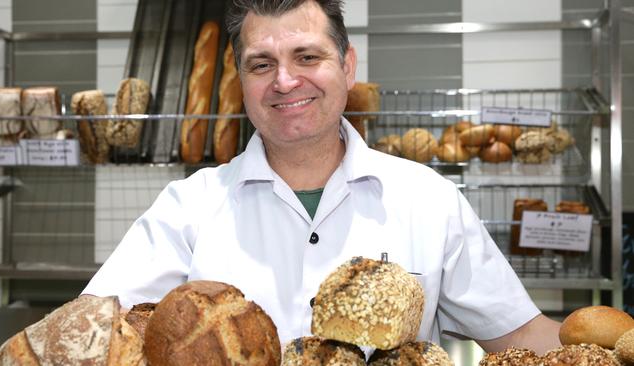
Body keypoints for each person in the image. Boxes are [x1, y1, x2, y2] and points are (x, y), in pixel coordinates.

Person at [82, 0, 562, 355]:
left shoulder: (428, 199)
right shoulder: (187, 209)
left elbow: (519, 334)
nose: (285, 81)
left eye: (307, 57)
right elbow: (92, 333)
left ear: (347, 66)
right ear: (241, 82)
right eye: (261, 64)